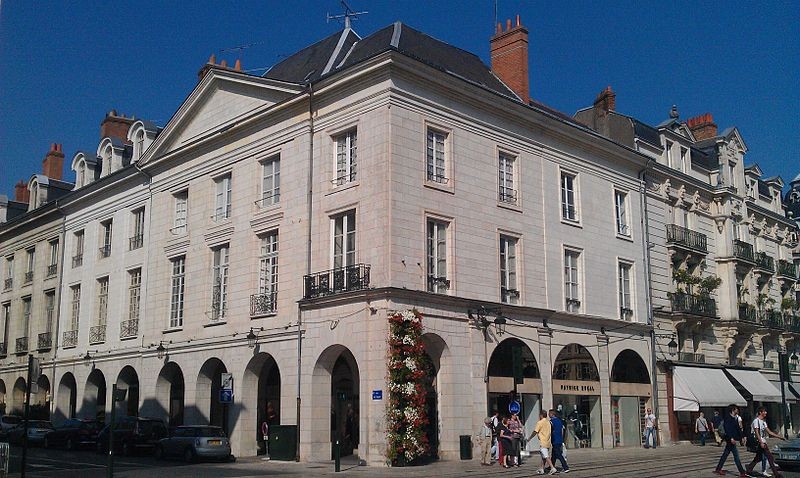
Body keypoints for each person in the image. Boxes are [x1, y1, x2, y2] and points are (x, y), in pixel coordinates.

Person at [745, 407, 785, 478]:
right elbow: (757, 433)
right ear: (760, 412)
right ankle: (776, 474)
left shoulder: (763, 422)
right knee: (770, 457)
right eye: (764, 411)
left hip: (763, 441)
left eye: (766, 411)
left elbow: (769, 432)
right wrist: (761, 442)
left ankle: (749, 470)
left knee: (758, 457)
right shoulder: (756, 421)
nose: (766, 413)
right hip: (760, 442)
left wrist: (779, 437)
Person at [714, 404, 747, 476]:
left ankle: (718, 469)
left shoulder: (735, 418)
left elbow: (738, 428)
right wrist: (731, 438)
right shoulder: (728, 418)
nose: (737, 410)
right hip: (730, 439)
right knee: (736, 456)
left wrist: (742, 436)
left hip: (732, 439)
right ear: (733, 410)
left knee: (725, 454)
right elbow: (727, 429)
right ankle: (742, 472)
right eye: (736, 409)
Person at [529, 410, 557, 475]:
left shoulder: (540, 422)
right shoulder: (549, 422)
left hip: (543, 442)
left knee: (546, 456)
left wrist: (530, 438)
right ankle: (541, 469)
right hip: (548, 441)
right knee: (543, 456)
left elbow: (535, 431)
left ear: (541, 415)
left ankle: (552, 468)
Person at [549, 409, 570, 473]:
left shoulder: (551, 422)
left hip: (555, 439)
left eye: (549, 414)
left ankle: (565, 467)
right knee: (554, 455)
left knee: (559, 454)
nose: (548, 415)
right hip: (559, 439)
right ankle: (551, 466)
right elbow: (562, 430)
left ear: (552, 414)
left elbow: (549, 430)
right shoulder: (559, 421)